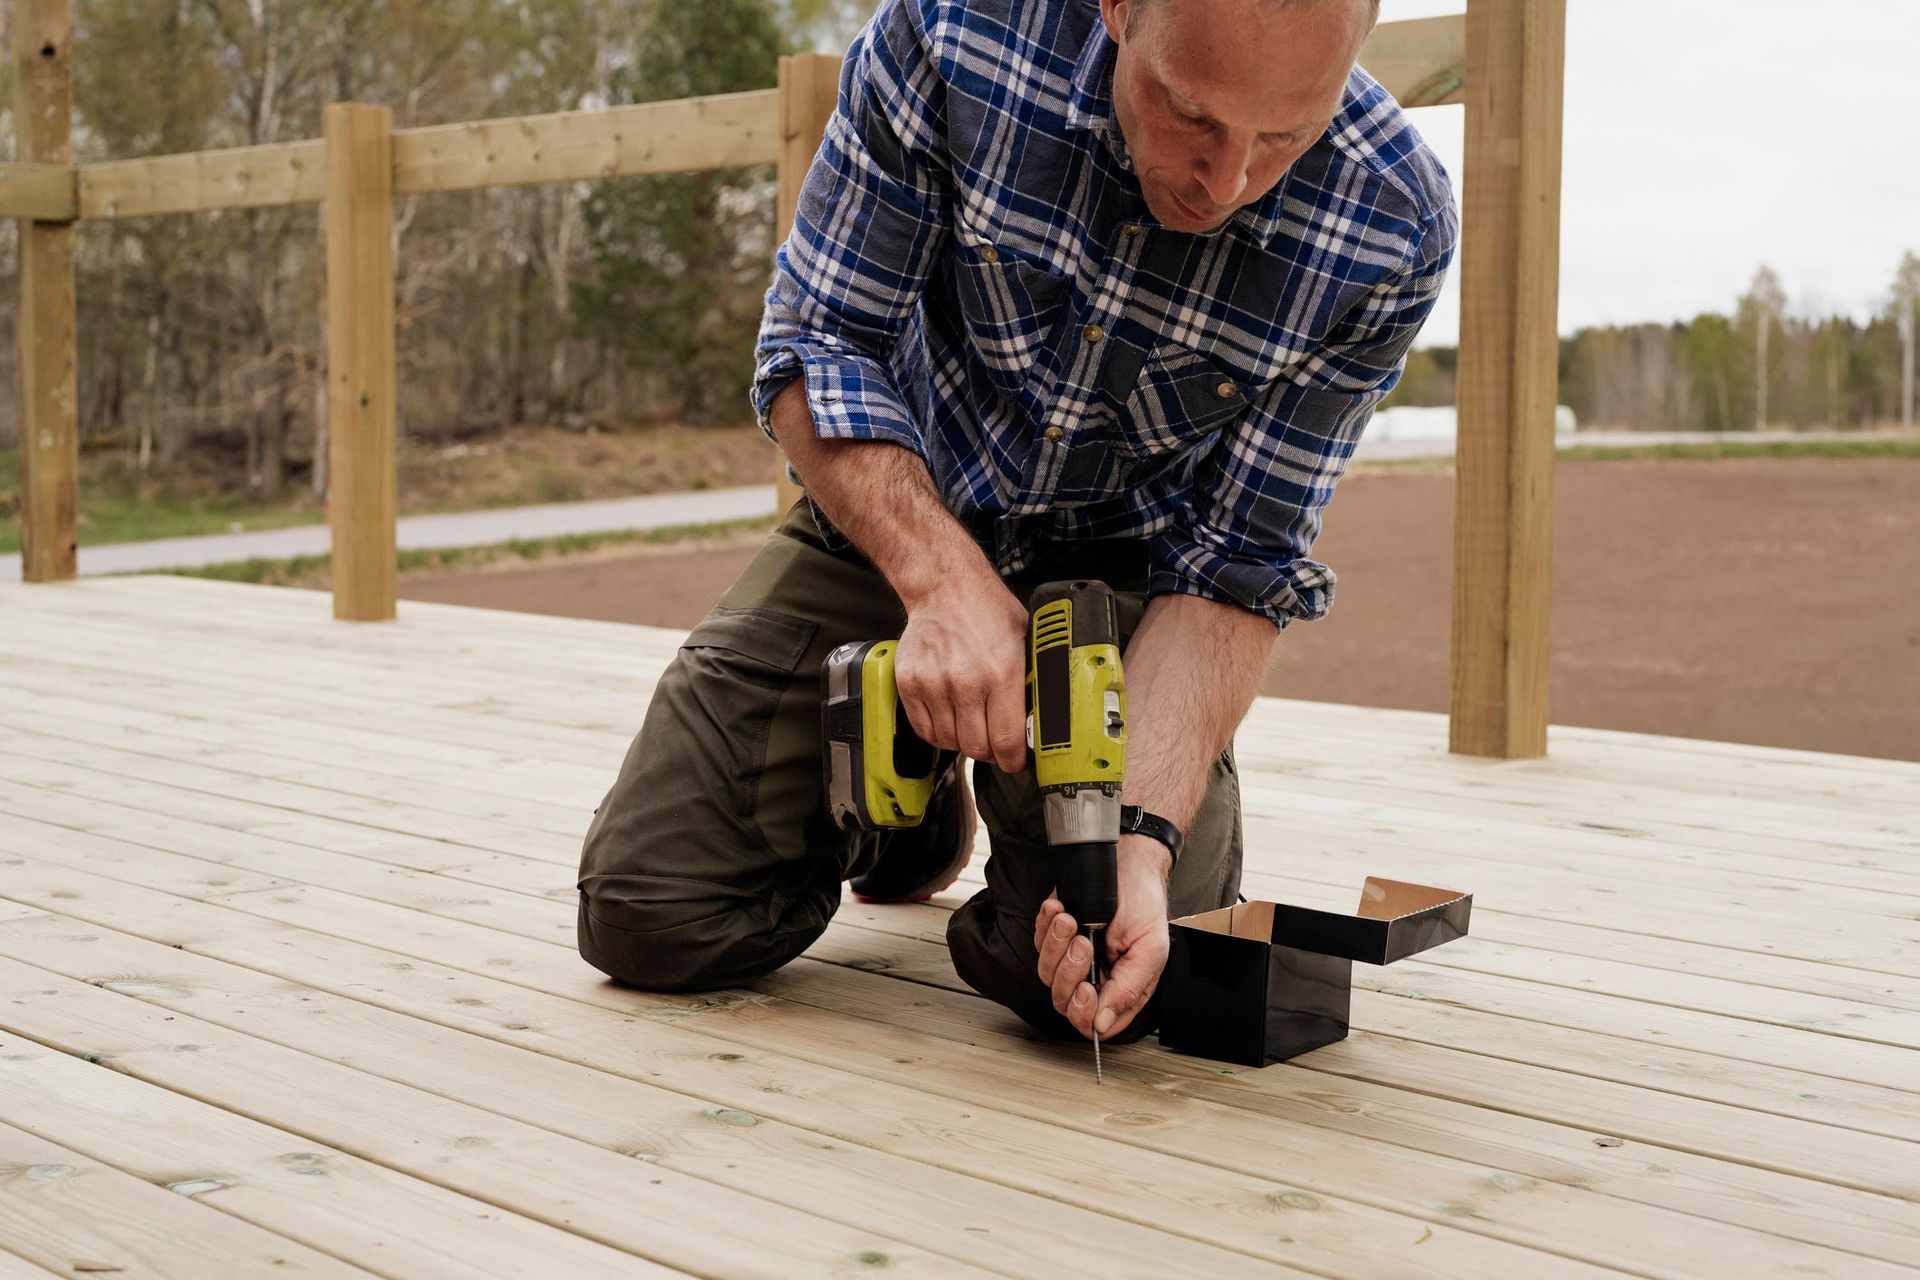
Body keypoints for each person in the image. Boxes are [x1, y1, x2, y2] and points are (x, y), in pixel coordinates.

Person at [577, 0, 1455, 1047]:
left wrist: (1142, 837)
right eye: (1191, 115)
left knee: (1121, 964)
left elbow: (1234, 570)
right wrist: (943, 588)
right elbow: (816, 345)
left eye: (1283, 138)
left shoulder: (1389, 221)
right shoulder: (955, 33)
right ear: (1119, 9)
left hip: (1117, 583)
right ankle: (894, 811)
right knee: (648, 913)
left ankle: (985, 805)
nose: (1224, 184)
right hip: (900, 512)